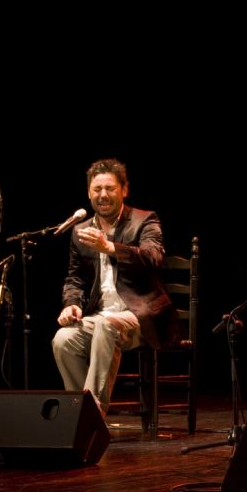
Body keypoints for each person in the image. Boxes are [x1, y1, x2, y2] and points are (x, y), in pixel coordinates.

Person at [52, 158, 182, 416]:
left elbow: (153, 257)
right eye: (97, 189)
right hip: (100, 316)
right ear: (89, 192)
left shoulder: (145, 220)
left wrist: (110, 247)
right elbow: (74, 278)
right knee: (63, 340)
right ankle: (82, 415)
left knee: (106, 326)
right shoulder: (80, 230)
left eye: (110, 188)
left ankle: (90, 419)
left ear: (124, 190)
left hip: (142, 315)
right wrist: (72, 304)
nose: (103, 195)